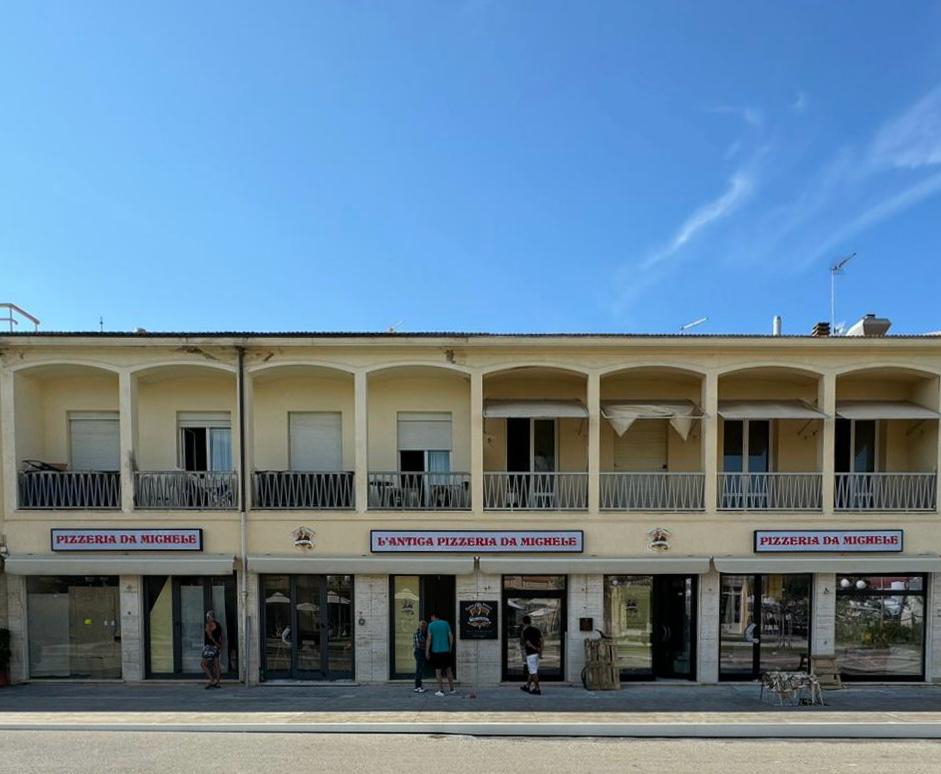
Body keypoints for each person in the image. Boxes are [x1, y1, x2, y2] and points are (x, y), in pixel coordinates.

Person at [425, 612, 455, 696]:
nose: (431, 619)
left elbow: (429, 639)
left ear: (434, 616)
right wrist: (450, 647)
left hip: (436, 651)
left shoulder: (431, 625)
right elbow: (451, 636)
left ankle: (441, 691)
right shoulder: (446, 623)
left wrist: (427, 651)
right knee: (449, 670)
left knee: (438, 672)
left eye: (431, 617)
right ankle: (452, 689)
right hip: (446, 651)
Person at [201, 610, 225, 689]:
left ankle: (212, 680)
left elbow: (210, 636)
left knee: (203, 664)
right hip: (216, 647)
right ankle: (218, 683)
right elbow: (222, 636)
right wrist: (220, 645)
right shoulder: (218, 624)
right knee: (216, 665)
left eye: (207, 617)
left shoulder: (208, 625)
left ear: (209, 617)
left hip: (209, 647)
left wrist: (216, 643)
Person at [520, 615, 543, 695]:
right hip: (536, 654)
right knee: (532, 671)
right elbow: (541, 640)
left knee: (533, 672)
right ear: (530, 621)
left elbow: (527, 643)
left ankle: (537, 689)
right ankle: (527, 686)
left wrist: (535, 648)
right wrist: (540, 652)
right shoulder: (536, 630)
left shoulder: (525, 631)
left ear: (523, 622)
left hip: (530, 654)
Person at [413, 619, 428, 693]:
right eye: (422, 625)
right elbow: (419, 644)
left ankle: (419, 686)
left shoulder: (423, 633)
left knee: (420, 669)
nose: (423, 627)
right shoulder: (418, 633)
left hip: (420, 652)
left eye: (424, 626)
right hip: (419, 652)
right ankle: (417, 687)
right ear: (420, 626)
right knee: (419, 669)